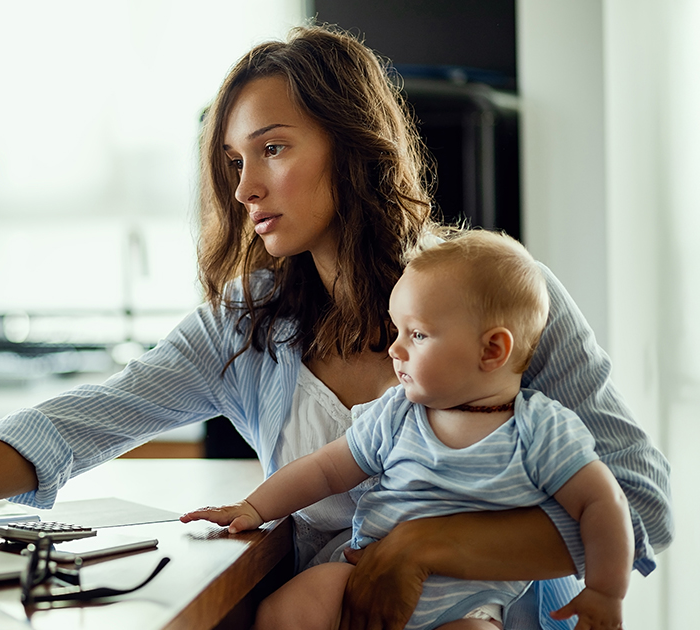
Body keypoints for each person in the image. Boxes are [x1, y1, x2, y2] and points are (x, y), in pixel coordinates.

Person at [0, 24, 671, 629]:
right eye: (233, 161)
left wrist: (423, 545)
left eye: (273, 148)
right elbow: (84, 419)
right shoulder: (247, 324)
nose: (245, 188)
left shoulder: (500, 302)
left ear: (352, 143)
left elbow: (639, 504)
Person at [181, 231, 632, 630]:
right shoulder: (397, 414)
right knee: (290, 609)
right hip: (361, 575)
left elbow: (604, 503)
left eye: (416, 334)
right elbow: (323, 471)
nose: (394, 348)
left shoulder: (541, 430)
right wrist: (254, 508)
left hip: (469, 607)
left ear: (492, 349)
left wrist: (605, 592)